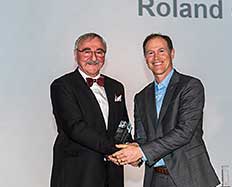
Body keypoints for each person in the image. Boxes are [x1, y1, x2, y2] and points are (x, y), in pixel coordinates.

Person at [111, 33, 220, 187]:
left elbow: (184, 132)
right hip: (155, 179)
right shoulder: (141, 97)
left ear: (172, 53)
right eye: (150, 53)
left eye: (161, 51)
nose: (156, 57)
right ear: (145, 59)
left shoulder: (190, 86)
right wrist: (134, 155)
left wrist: (141, 152)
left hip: (189, 178)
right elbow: (142, 139)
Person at [50, 32, 130, 187]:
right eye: (87, 51)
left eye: (99, 52)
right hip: (78, 174)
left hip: (113, 174)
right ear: (76, 55)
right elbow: (75, 128)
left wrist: (132, 149)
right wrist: (115, 150)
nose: (93, 57)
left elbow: (123, 125)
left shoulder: (116, 87)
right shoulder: (62, 85)